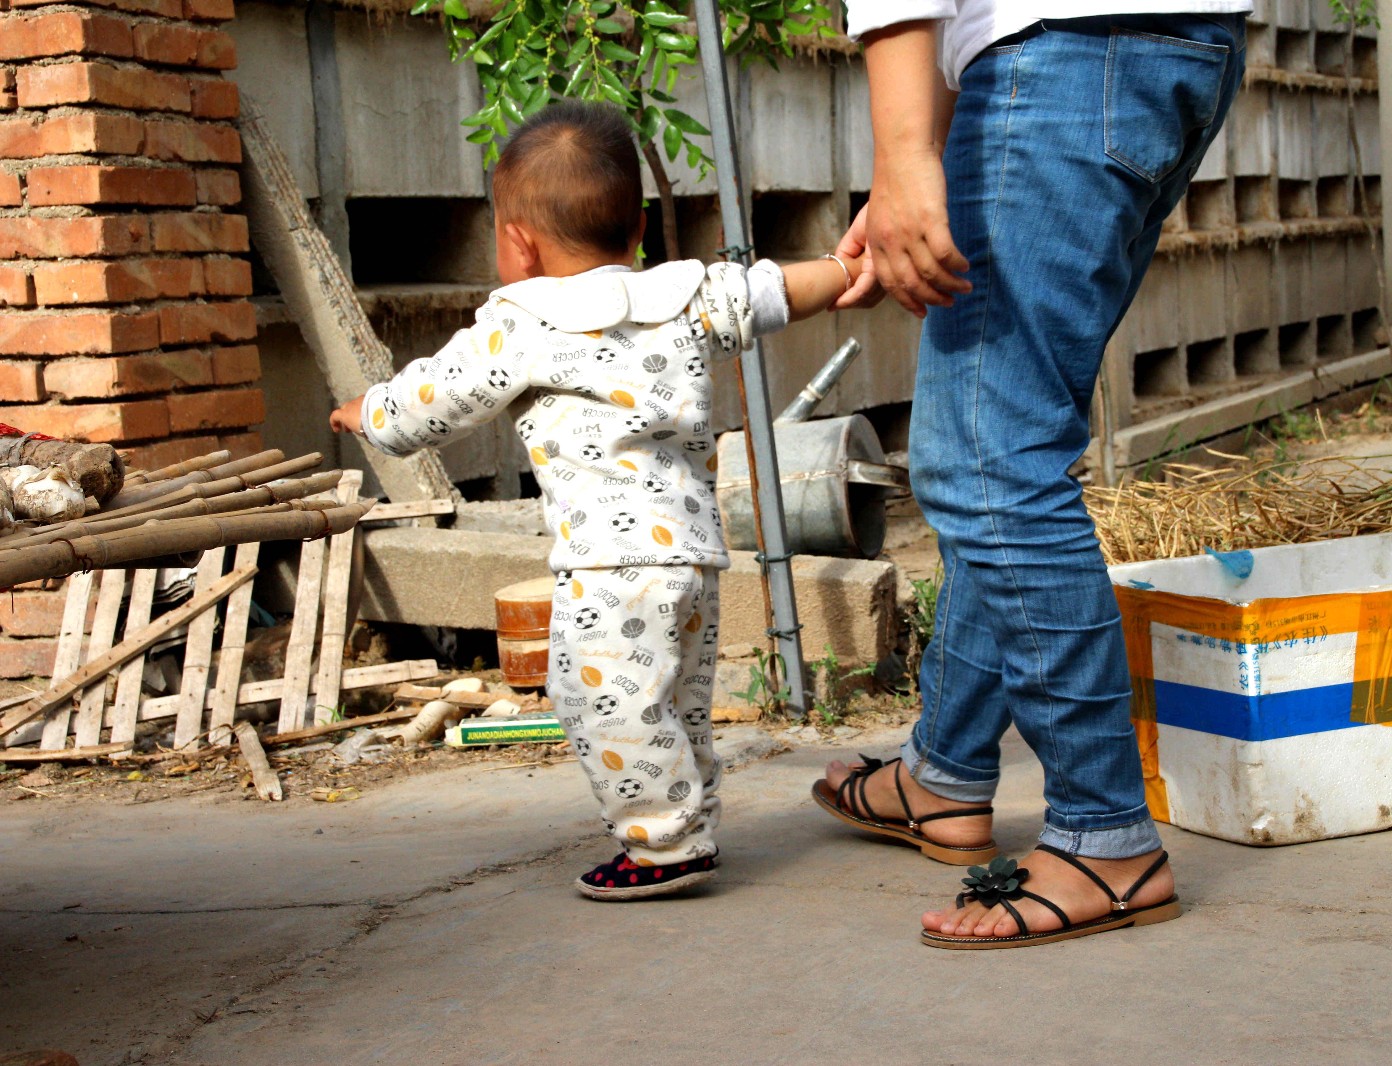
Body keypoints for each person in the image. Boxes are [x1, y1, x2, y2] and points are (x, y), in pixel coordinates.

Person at [332, 100, 862, 901]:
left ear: (517, 242)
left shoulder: (521, 324)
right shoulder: (686, 296)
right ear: (639, 227)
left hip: (610, 565)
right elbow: (777, 289)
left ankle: (662, 844)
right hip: (693, 557)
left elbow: (431, 401)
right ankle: (689, 824)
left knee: (602, 700)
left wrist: (367, 414)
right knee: (674, 700)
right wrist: (852, 269)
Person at [812, 5, 1250, 947]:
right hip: (1159, 49)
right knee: (1005, 447)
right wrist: (924, 148)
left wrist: (902, 158)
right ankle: (945, 772)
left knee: (990, 464)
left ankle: (1104, 839)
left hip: (1064, 61)